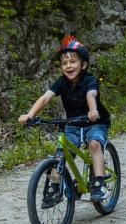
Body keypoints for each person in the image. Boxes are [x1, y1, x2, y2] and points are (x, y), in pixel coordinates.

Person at [18, 37, 111, 201]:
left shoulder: (89, 80)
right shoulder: (61, 82)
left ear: (83, 64)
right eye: (64, 63)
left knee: (94, 144)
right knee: (60, 154)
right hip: (73, 124)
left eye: (73, 62)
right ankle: (54, 187)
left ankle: (99, 184)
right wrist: (30, 115)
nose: (68, 66)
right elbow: (45, 98)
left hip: (95, 122)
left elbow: (91, 94)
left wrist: (93, 109)